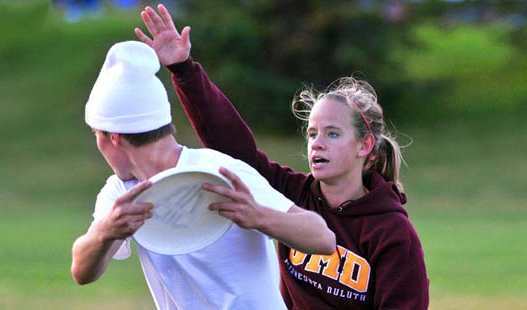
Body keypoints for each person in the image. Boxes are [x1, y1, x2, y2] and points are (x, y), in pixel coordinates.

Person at [135, 4, 429, 309]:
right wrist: (183, 69)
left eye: (332, 133)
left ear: (364, 145)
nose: (317, 143)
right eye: (312, 133)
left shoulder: (391, 232)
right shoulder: (294, 195)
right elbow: (236, 149)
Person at [70, 40, 336, 309]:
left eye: (96, 135)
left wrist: (259, 215)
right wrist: (105, 233)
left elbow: (323, 239)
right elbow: (82, 272)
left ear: (113, 137)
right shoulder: (121, 192)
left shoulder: (219, 171)